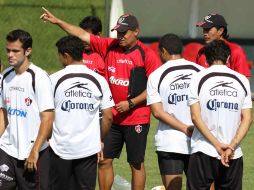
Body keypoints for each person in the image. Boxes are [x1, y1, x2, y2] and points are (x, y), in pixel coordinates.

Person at [40, 8, 161, 190]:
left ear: (136, 31)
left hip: (136, 117)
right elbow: (81, 34)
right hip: (111, 117)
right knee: (103, 160)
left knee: (136, 164)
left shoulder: (147, 54)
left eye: (124, 32)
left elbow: (155, 87)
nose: (120, 36)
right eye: (118, 31)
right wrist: (57, 21)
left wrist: (131, 103)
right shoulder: (109, 45)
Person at [49, 35, 114, 189]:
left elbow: (46, 115)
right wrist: (99, 139)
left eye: (59, 55)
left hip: (60, 148)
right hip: (88, 149)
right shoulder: (99, 80)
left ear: (66, 55)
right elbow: (108, 117)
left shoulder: (52, 79)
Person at [187, 40, 252, 190]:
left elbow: (195, 117)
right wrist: (230, 147)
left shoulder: (197, 78)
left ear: (207, 59)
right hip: (233, 153)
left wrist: (217, 145)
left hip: (203, 149)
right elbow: (248, 119)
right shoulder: (242, 80)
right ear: (228, 58)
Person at [147, 34, 203, 190]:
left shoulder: (156, 75)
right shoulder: (201, 71)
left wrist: (184, 128)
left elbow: (157, 112)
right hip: (199, 141)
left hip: (170, 143)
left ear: (163, 51)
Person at [0, 29, 54, 189]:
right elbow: (3, 114)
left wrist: (34, 151)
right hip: (7, 149)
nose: (10, 54)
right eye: (8, 50)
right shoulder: (6, 76)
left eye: (15, 51)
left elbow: (48, 118)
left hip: (33, 153)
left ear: (28, 51)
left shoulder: (39, 77)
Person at [196, 13, 251, 80]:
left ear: (220, 31)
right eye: (204, 29)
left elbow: (245, 80)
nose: (205, 33)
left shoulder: (235, 50)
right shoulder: (201, 52)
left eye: (208, 29)